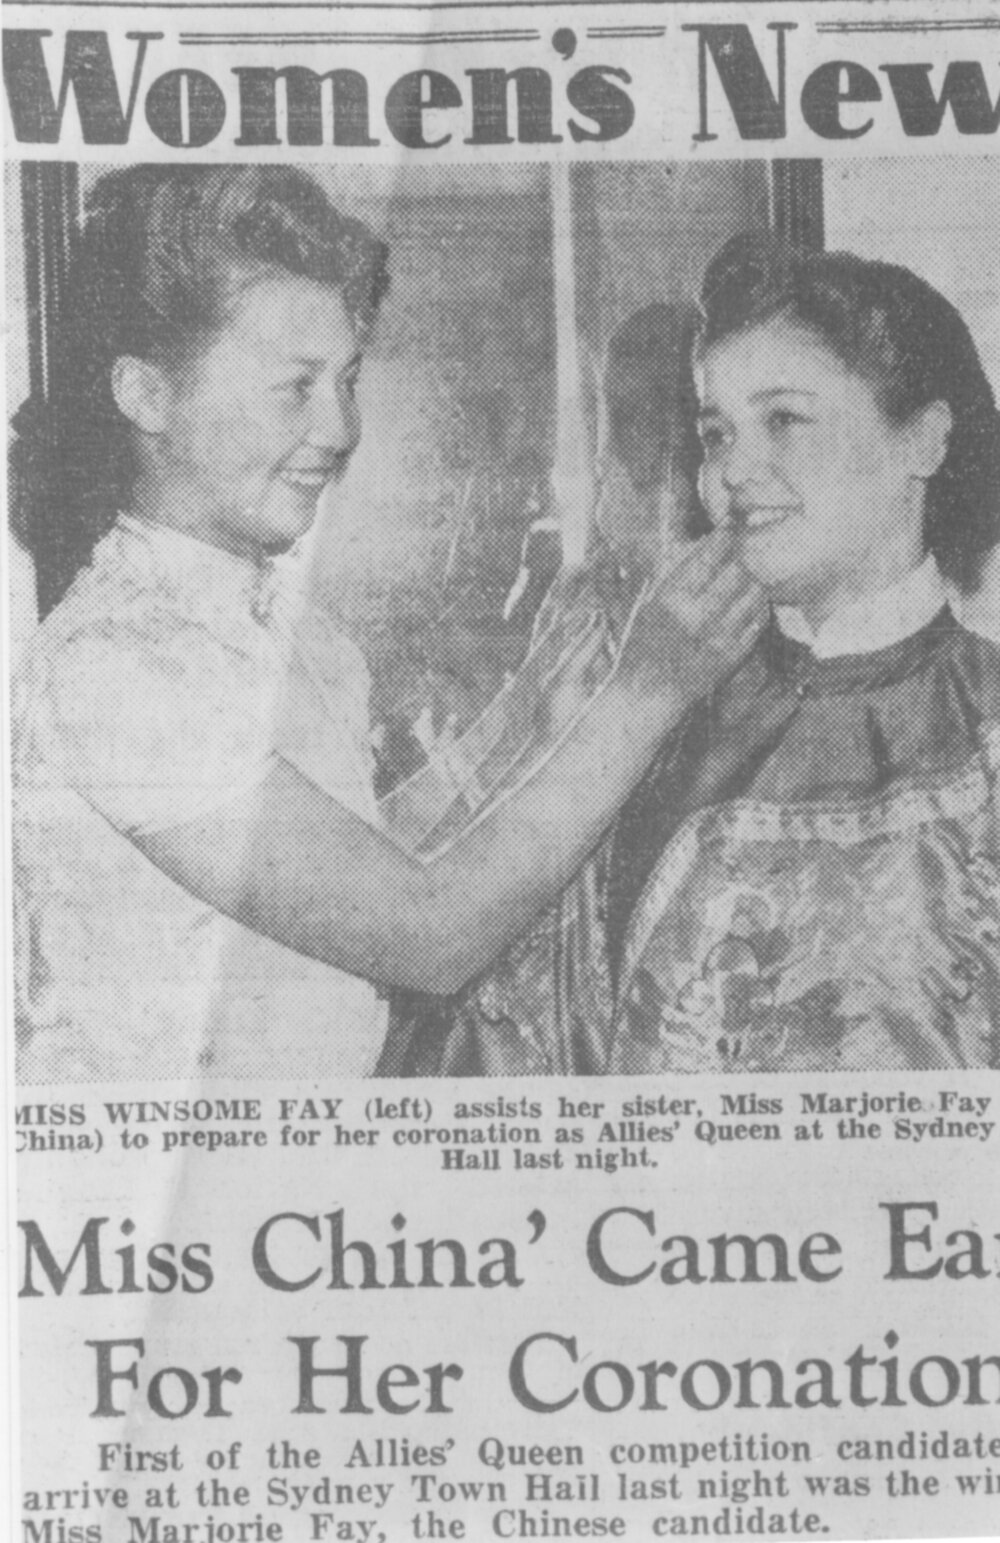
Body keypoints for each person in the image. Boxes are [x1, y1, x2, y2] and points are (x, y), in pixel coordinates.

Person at [10, 165, 760, 1084]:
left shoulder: (287, 627)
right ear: (149, 396)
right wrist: (647, 692)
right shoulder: (118, 665)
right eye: (296, 386)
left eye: (347, 379)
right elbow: (425, 933)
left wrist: (528, 719)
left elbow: (359, 844)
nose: (340, 426)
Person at [605, 235, 1000, 1074]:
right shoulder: (658, 723)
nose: (736, 470)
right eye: (717, 434)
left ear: (923, 442)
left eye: (783, 419)